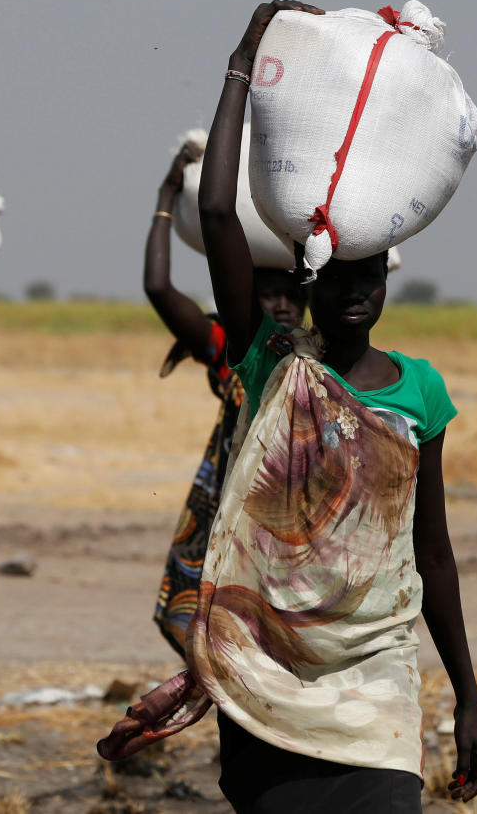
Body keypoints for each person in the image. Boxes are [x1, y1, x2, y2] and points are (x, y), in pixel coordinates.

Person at [100, 1, 477, 810]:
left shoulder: (422, 392)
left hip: (377, 675)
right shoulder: (270, 360)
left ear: (388, 279)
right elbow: (217, 213)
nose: (355, 292)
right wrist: (243, 60)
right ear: (311, 280)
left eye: (370, 275)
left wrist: (468, 699)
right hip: (267, 664)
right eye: (339, 277)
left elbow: (436, 554)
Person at [146, 141, 307, 657]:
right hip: (233, 515)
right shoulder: (231, 350)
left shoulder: (325, 356)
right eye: (266, 293)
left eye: (290, 292)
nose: (280, 304)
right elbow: (158, 288)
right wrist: (167, 197)